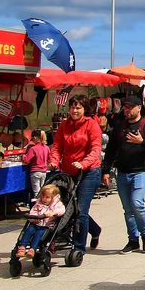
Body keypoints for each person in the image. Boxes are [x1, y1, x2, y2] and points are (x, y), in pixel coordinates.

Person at [101, 94, 145, 254]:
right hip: (123, 172)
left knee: (137, 203)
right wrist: (106, 170)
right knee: (128, 209)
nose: (126, 110)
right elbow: (111, 150)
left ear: (139, 108)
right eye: (125, 107)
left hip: (141, 172)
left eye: (130, 107)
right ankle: (133, 240)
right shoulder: (119, 127)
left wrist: (142, 142)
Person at [48, 96, 102, 259]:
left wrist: (83, 163)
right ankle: (95, 230)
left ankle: (78, 247)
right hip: (68, 172)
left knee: (81, 210)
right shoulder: (64, 125)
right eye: (72, 107)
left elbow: (95, 149)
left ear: (84, 109)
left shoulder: (92, 125)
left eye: (78, 107)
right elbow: (57, 147)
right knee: (68, 209)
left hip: (89, 172)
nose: (75, 110)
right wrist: (53, 161)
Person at [15, 182, 65, 258]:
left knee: (39, 234)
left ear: (53, 198)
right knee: (28, 231)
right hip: (36, 224)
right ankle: (22, 247)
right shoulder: (38, 204)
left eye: (47, 197)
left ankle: (32, 249)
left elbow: (62, 210)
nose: (44, 199)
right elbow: (33, 212)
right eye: (43, 196)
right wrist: (34, 218)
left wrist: (53, 213)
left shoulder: (57, 205)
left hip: (46, 226)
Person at [22, 129, 50, 200]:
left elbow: (26, 160)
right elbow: (49, 159)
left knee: (37, 193)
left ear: (35, 137)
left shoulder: (33, 149)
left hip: (35, 172)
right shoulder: (46, 148)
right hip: (44, 172)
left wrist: (23, 156)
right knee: (43, 192)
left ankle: (38, 208)